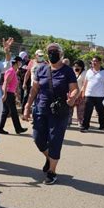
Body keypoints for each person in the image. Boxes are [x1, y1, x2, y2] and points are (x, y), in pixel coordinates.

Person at [23, 43, 79, 185]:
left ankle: (52, 171)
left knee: (55, 140)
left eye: (55, 51)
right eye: (50, 51)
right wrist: (28, 105)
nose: (52, 53)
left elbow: (74, 89)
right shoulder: (41, 69)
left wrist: (72, 97)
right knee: (37, 138)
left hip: (59, 111)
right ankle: (49, 158)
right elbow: (34, 89)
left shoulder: (67, 71)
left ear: (61, 54)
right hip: (41, 109)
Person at [80, 56, 104, 132]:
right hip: (89, 95)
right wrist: (83, 92)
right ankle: (85, 126)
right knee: (87, 111)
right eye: (92, 61)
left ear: (100, 62)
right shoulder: (89, 71)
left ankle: (102, 124)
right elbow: (85, 83)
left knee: (100, 111)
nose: (93, 63)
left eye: (95, 61)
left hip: (100, 96)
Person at [0, 56, 27, 135]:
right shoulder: (10, 71)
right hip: (8, 93)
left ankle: (0, 128)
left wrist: (16, 93)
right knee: (13, 112)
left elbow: (13, 84)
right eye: (20, 62)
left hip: (10, 93)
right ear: (17, 62)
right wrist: (4, 94)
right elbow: (5, 83)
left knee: (6, 111)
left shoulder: (13, 71)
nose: (21, 63)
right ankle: (18, 129)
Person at [72, 60, 87, 127]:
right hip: (73, 94)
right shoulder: (72, 72)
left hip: (81, 94)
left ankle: (80, 122)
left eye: (78, 66)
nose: (76, 67)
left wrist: (82, 93)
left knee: (80, 110)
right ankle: (68, 121)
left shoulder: (84, 73)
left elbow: (85, 84)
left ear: (81, 66)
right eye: (75, 66)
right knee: (70, 109)